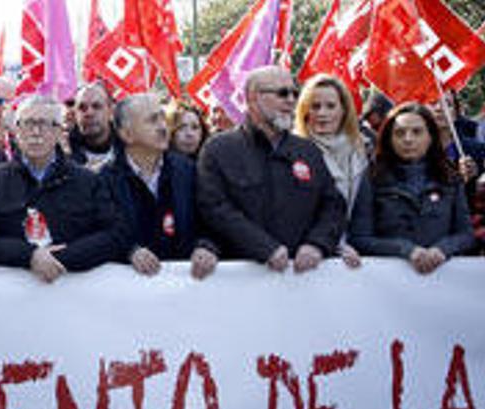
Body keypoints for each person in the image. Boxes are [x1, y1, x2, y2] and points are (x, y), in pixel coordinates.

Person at [0, 95, 128, 283]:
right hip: (10, 300)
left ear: (59, 132)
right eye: (28, 123)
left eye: (45, 124)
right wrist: (29, 255)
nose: (35, 132)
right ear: (16, 130)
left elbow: (114, 235)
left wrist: (60, 259)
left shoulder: (88, 181)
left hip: (72, 297)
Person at [197, 66, 346, 272]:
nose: (291, 100)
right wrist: (265, 248)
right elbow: (215, 209)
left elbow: (333, 206)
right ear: (253, 99)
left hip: (302, 281)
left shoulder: (308, 150)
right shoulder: (218, 149)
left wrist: (317, 244)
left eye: (295, 93)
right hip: (241, 280)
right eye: (282, 93)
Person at [101, 94, 218, 279]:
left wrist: (205, 246)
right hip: (129, 294)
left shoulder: (188, 172)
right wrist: (130, 252)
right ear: (126, 134)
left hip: (186, 289)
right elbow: (102, 234)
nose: (163, 127)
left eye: (162, 117)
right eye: (152, 120)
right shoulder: (104, 181)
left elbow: (209, 221)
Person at [349, 103, 475, 274]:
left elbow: (466, 235)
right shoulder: (373, 177)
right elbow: (359, 238)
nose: (408, 139)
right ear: (389, 138)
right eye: (399, 133)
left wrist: (442, 250)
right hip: (389, 281)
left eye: (417, 132)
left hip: (444, 280)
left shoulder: (450, 177)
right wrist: (406, 250)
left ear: (431, 136)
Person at [294, 74, 369, 268]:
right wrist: (332, 244)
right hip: (312, 253)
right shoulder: (293, 152)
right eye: (315, 106)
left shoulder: (363, 149)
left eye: (330, 106)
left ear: (344, 110)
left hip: (358, 251)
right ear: (304, 111)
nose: (322, 113)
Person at [69, 82, 118, 172]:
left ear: (111, 111)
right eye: (82, 108)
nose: (89, 113)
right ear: (74, 114)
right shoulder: (61, 158)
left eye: (96, 106)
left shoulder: (131, 152)